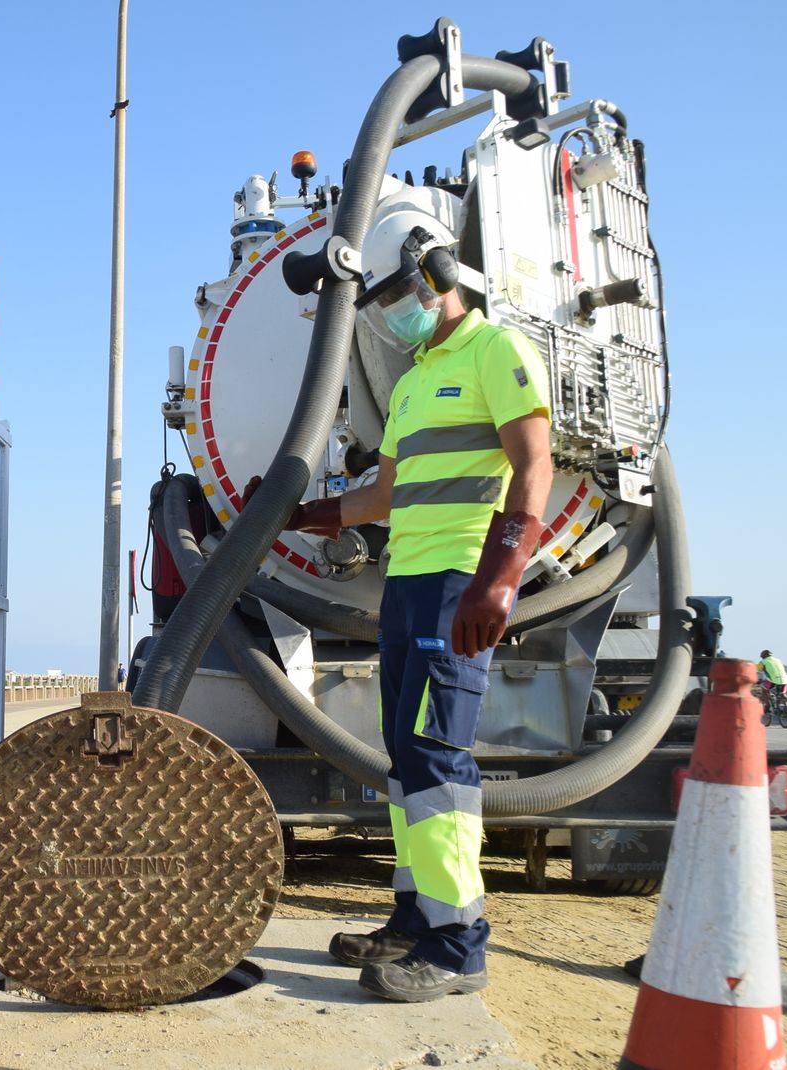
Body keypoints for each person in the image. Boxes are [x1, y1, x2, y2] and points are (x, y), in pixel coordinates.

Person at [280, 209, 552, 1001]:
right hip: (408, 585)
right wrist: (306, 515)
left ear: (439, 275)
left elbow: (533, 463)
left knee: (436, 758)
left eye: (403, 290)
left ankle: (457, 946)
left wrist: (501, 575)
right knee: (406, 761)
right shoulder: (408, 385)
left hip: (458, 586)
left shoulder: (497, 350)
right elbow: (386, 494)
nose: (395, 308)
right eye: (382, 300)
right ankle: (414, 919)